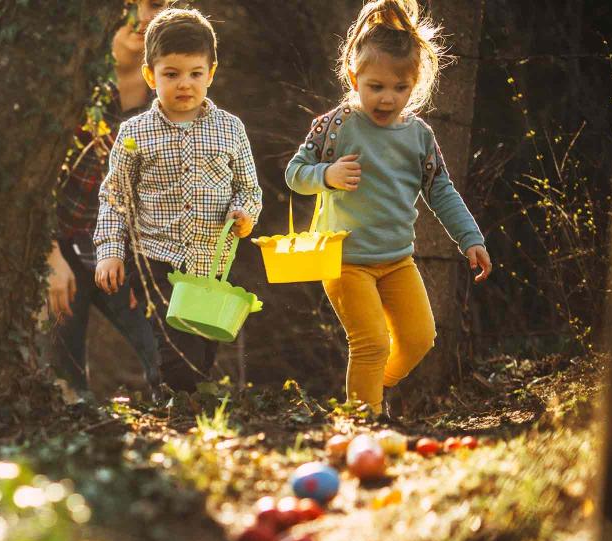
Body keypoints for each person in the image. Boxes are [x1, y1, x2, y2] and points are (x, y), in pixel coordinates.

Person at [284, 0, 491, 416]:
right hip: (344, 260)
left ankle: (368, 389)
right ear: (353, 76)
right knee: (371, 342)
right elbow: (294, 173)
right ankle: (364, 422)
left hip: (397, 261)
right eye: (376, 86)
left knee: (419, 339)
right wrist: (326, 174)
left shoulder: (419, 137)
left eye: (400, 88)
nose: (387, 98)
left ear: (415, 85)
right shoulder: (336, 125)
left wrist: (470, 238)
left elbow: (441, 191)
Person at [92, 7, 263, 393]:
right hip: (157, 259)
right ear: (151, 75)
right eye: (171, 74)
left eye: (195, 74)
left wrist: (245, 214)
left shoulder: (230, 129)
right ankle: (175, 409)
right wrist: (110, 251)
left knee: (202, 351)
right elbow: (115, 195)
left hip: (212, 262)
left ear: (211, 73)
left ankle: (183, 409)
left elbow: (249, 189)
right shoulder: (135, 133)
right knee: (174, 349)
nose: (184, 84)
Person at [47, 0, 169, 399]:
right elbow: (33, 183)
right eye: (129, 4)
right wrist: (48, 260)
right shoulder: (74, 77)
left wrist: (142, 267)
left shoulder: (170, 86)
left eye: (155, 4)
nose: (143, 17)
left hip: (115, 249)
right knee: (63, 384)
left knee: (167, 358)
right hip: (57, 247)